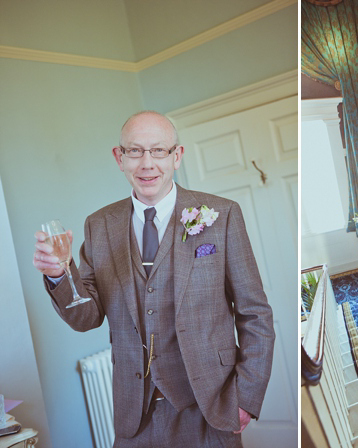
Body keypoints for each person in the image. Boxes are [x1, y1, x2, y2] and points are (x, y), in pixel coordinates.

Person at [33, 111, 275, 447]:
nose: (147, 164)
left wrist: (246, 398)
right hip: (135, 413)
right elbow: (87, 318)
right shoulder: (99, 226)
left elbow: (255, 314)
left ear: (177, 156)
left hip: (210, 404)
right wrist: (60, 275)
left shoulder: (222, 215)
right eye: (135, 151)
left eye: (159, 151)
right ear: (120, 158)